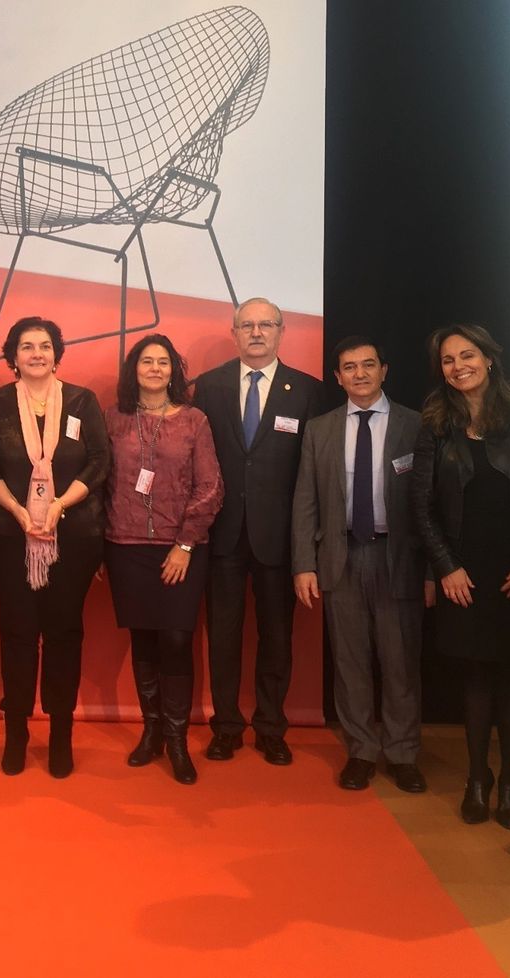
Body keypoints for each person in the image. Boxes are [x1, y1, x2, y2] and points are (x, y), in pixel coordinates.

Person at [411, 324, 510, 827]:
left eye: (467, 355)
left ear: (489, 358)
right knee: (474, 678)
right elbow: (421, 506)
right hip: (461, 573)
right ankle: (477, 779)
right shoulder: (435, 423)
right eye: (448, 360)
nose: (458, 366)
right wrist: (446, 567)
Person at [0, 316, 109, 778]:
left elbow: (100, 461)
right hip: (8, 534)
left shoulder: (81, 401)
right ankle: (16, 734)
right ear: (13, 356)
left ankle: (60, 736)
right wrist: (18, 510)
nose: (37, 353)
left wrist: (59, 505)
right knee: (17, 632)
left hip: (74, 535)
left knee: (63, 632)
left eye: (45, 346)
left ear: (57, 354)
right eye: (27, 346)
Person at [291, 337, 427, 792]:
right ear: (337, 377)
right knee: (350, 662)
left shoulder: (416, 424)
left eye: (369, 365)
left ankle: (402, 753)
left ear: (384, 370)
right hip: (341, 556)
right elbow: (305, 501)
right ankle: (362, 750)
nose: (360, 374)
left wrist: (432, 570)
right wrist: (303, 564)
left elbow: (432, 502)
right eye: (349, 367)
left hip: (398, 558)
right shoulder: (320, 429)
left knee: (400, 661)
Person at [192, 297, 321, 765]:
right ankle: (226, 726)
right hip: (222, 534)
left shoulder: (307, 391)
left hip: (279, 537)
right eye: (247, 325)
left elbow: (313, 471)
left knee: (277, 638)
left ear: (282, 331)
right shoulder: (208, 387)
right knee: (222, 637)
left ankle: (270, 726)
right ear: (234, 334)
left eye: (266, 324)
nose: (257, 332)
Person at [103, 334, 222, 784]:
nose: (155, 368)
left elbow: (210, 487)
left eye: (164, 362)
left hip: (181, 550)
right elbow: (101, 481)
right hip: (125, 546)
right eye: (147, 361)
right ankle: (151, 731)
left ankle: (176, 740)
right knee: (144, 640)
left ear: (174, 371)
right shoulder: (113, 418)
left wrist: (185, 544)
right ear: (133, 369)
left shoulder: (194, 420)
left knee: (175, 639)